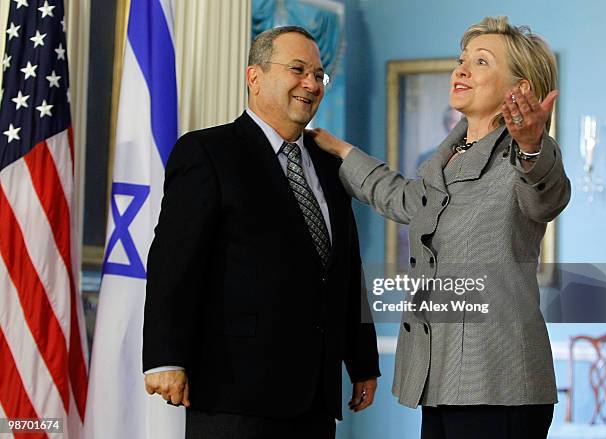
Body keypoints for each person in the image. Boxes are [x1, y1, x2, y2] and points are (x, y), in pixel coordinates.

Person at [311, 16, 570, 439]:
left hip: (500, 385)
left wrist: (532, 145)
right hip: (442, 380)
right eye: (462, 59)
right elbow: (401, 198)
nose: (461, 69)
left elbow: (548, 195)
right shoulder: (443, 162)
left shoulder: (524, 156)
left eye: (481, 62)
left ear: (518, 90)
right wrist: (341, 150)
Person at [142, 26, 380, 439]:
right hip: (234, 395)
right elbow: (174, 263)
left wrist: (362, 360)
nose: (311, 83)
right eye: (298, 69)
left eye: (319, 74)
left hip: (314, 399)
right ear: (255, 77)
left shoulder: (329, 165)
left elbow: (345, 269)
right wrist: (166, 358)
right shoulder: (207, 153)